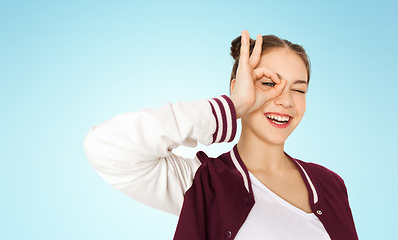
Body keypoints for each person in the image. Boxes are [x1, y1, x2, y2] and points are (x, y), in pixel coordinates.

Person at [83, 30, 358, 239]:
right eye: (269, 84)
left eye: (298, 89)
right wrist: (233, 106)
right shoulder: (200, 183)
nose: (286, 100)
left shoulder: (331, 185)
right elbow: (105, 146)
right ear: (240, 87)